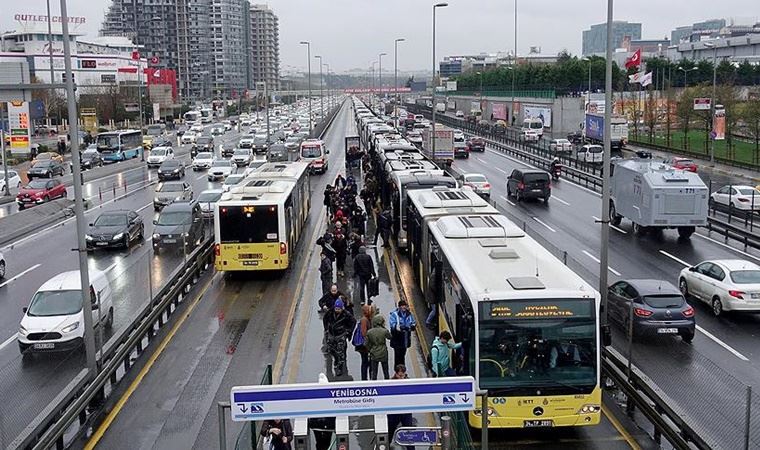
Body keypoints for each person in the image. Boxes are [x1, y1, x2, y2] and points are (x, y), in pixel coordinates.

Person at [322, 299, 356, 376]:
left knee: (341, 352)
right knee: (331, 350)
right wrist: (326, 329)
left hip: (341, 335)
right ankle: (336, 359)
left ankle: (339, 368)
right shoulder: (330, 312)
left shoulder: (346, 314)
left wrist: (349, 331)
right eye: (336, 308)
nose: (337, 310)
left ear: (342, 308)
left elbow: (353, 322)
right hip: (331, 334)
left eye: (339, 309)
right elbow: (325, 319)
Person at [388, 365, 414, 450]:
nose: (401, 378)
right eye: (399, 376)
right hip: (394, 412)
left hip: (406, 412)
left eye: (402, 375)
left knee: (408, 433)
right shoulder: (390, 383)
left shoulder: (409, 383)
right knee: (390, 432)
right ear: (395, 374)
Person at [389, 300, 417, 367]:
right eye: (402, 306)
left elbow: (413, 322)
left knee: (403, 354)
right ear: (399, 307)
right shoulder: (395, 315)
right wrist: (400, 327)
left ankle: (402, 370)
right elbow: (392, 325)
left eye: (405, 305)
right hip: (397, 339)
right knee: (398, 355)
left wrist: (412, 326)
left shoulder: (409, 314)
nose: (404, 307)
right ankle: (398, 370)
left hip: (405, 339)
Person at [366, 314, 391, 380]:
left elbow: (366, 344)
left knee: (374, 371)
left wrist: (370, 350)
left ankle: (374, 384)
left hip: (374, 352)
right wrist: (384, 328)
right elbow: (390, 337)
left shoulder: (369, 332)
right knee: (385, 370)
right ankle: (387, 383)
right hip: (383, 352)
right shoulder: (384, 331)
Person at [354, 304, 376, 380]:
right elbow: (364, 333)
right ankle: (364, 378)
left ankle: (367, 377)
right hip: (364, 346)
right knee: (365, 362)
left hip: (365, 345)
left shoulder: (367, 319)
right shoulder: (364, 320)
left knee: (367, 362)